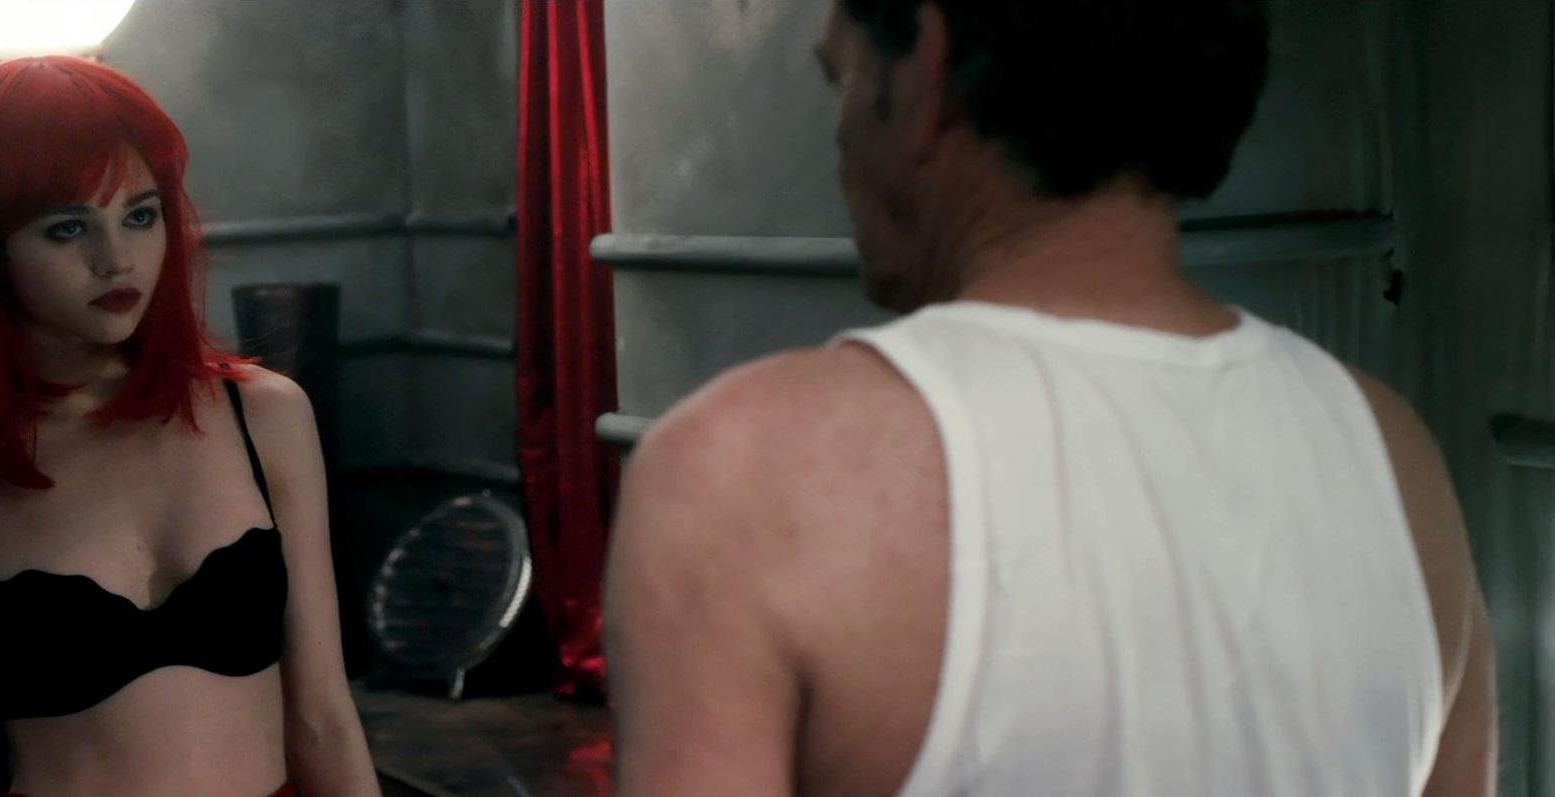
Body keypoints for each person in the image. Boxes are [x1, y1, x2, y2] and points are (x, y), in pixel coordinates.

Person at [604, 1, 1496, 795]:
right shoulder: (1395, 465)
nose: (838, 138)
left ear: (927, 70)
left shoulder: (743, 476)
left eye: (844, 78)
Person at [0, 56, 380, 797]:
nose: (117, 260)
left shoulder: (265, 415)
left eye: (140, 216)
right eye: (67, 228)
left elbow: (323, 716)